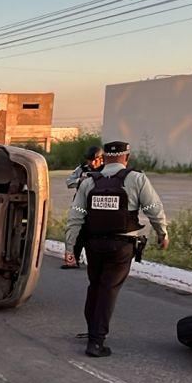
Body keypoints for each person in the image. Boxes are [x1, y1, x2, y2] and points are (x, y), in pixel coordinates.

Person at [63, 140, 169, 357]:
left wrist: (69, 247)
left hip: (94, 244)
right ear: (126, 157)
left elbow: (76, 217)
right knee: (108, 289)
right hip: (122, 246)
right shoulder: (136, 179)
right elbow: (153, 209)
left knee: (95, 285)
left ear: (105, 158)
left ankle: (92, 329)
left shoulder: (89, 181)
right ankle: (96, 342)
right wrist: (162, 233)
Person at [60, 145, 106, 269]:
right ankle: (72, 259)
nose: (91, 163)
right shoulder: (82, 169)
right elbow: (69, 182)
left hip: (99, 206)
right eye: (89, 160)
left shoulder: (107, 170)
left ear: (101, 159)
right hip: (81, 205)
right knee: (76, 231)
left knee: (96, 234)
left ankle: (97, 262)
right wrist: (80, 180)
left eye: (94, 160)